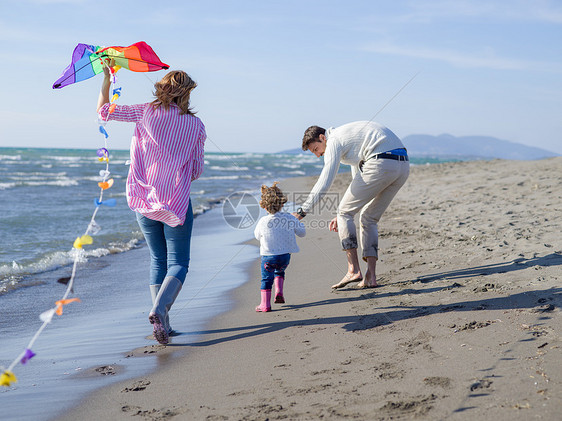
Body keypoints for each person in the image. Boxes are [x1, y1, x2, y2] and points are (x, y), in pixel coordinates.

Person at [97, 63, 206, 344]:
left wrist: (107, 81)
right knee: (179, 262)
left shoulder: (146, 111)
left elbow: (104, 111)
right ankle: (159, 311)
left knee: (158, 259)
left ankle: (163, 325)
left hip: (142, 197)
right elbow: (196, 170)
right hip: (176, 201)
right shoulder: (196, 125)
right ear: (187, 94)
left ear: (163, 88)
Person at [293, 121, 409, 289]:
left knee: (344, 213)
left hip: (381, 161)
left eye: (316, 150)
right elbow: (359, 176)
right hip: (403, 165)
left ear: (322, 137)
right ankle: (371, 276)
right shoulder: (349, 138)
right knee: (369, 218)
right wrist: (346, 212)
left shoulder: (334, 140)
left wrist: (301, 212)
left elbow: (325, 180)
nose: (318, 155)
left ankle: (353, 270)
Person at [254, 182, 306, 312]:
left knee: (266, 279)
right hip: (284, 258)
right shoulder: (290, 218)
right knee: (279, 271)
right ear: (282, 204)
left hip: (268, 258)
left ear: (264, 206)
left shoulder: (262, 221)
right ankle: (279, 293)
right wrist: (297, 223)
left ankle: (265, 305)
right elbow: (302, 233)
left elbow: (257, 236)